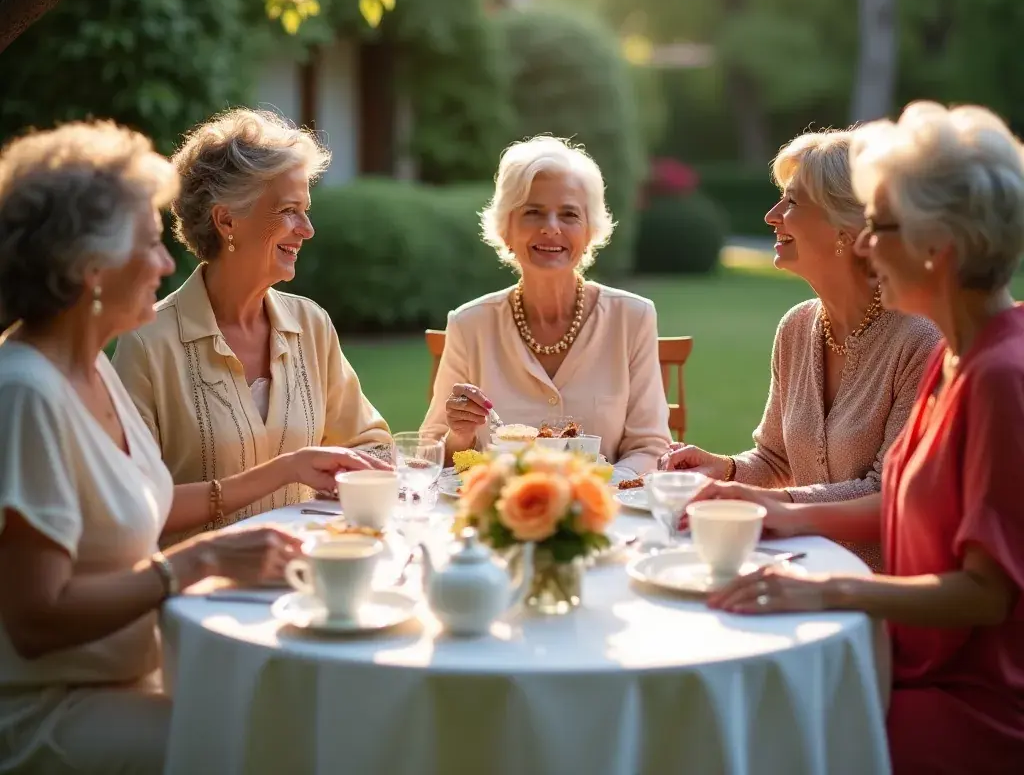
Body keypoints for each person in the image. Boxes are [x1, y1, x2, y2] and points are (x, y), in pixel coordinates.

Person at [0, 121, 385, 774]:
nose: (165, 263)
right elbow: (36, 622)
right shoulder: (27, 392)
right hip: (57, 710)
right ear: (89, 267)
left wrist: (284, 471)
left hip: (150, 665)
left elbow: (149, 507)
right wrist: (199, 559)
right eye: (147, 246)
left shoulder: (89, 371)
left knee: (333, 721)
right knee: (292, 749)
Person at [696, 103, 1024, 774]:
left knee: (760, 737)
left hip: (967, 696)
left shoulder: (1000, 375)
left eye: (880, 227)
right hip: (900, 651)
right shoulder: (955, 356)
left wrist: (829, 591)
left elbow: (985, 595)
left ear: (940, 246)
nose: (868, 247)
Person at [660, 129, 939, 566]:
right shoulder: (798, 326)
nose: (772, 216)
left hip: (884, 588)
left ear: (847, 226)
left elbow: (887, 491)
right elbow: (775, 458)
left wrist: (775, 502)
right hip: (805, 563)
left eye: (791, 202)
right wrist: (724, 468)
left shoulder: (921, 341)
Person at [113, 108, 392, 529]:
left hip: (303, 573)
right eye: (288, 210)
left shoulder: (311, 324)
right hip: (201, 586)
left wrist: (360, 472)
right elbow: (130, 504)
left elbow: (371, 444)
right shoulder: (148, 341)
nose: (307, 229)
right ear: (227, 220)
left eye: (306, 209)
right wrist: (284, 471)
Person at [421, 136, 671, 482]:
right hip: (499, 514)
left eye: (569, 214)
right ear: (505, 229)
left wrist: (601, 488)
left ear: (590, 232)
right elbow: (432, 454)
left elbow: (651, 446)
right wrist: (460, 435)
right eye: (532, 212)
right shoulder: (469, 324)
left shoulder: (633, 317)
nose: (551, 227)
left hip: (602, 519)